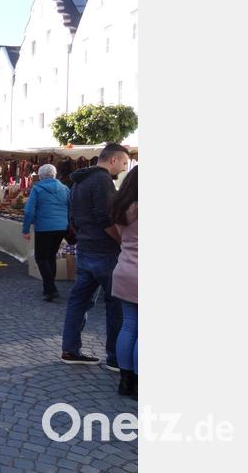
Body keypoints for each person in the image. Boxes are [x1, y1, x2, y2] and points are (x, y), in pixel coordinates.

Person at [60, 143, 131, 367]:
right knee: (115, 306)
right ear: (113, 160)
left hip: (86, 249)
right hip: (105, 252)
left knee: (78, 302)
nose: (123, 168)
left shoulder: (79, 182)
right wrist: (121, 241)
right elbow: (105, 218)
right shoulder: (102, 180)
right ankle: (115, 358)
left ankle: (70, 350)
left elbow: (72, 217)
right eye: (124, 163)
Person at [22, 164, 71, 301]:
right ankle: (48, 287)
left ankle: (51, 289)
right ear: (54, 174)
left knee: (41, 258)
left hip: (44, 227)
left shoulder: (37, 189)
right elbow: (70, 208)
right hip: (61, 227)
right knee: (50, 257)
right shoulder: (65, 188)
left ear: (40, 175)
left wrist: (25, 229)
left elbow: (29, 211)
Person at [110, 166, 138, 399]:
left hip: (124, 270)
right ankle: (138, 383)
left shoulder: (122, 208)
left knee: (129, 326)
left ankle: (125, 381)